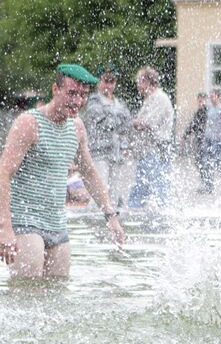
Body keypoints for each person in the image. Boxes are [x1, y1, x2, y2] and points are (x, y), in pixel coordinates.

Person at [0, 64, 125, 278]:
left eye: (83, 95)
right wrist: (5, 227)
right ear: (55, 89)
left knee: (59, 295)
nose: (78, 101)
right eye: (72, 93)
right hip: (25, 224)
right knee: (26, 295)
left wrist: (111, 216)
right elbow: (4, 173)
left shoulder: (76, 128)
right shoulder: (29, 123)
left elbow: (89, 173)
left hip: (58, 227)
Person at [82, 62, 132, 207]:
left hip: (116, 155)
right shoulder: (93, 101)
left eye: (112, 81)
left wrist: (117, 120)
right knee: (100, 191)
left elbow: (127, 125)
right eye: (105, 81)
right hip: (99, 154)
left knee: (115, 195)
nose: (108, 85)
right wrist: (118, 119)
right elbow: (105, 123)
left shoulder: (120, 102)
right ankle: (93, 221)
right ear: (98, 81)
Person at [128, 66, 174, 208]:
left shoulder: (159, 98)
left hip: (156, 150)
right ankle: (134, 211)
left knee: (159, 188)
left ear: (147, 82)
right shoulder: (152, 99)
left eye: (138, 82)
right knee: (143, 187)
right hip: (149, 151)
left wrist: (132, 122)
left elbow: (148, 123)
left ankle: (162, 216)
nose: (137, 85)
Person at [199, 89, 221, 193]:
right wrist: (204, 139)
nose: (211, 98)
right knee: (205, 162)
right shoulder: (210, 109)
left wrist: (220, 137)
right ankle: (208, 185)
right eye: (210, 96)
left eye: (213, 96)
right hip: (208, 138)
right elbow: (208, 125)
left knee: (218, 162)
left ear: (218, 97)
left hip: (217, 140)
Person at [181, 92, 208, 189]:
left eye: (202, 99)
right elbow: (193, 124)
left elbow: (195, 124)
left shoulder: (205, 110)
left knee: (203, 161)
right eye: (199, 99)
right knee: (199, 161)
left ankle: (207, 184)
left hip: (204, 139)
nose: (201, 101)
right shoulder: (200, 111)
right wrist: (185, 135)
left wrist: (185, 135)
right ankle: (206, 183)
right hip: (200, 139)